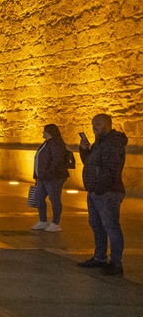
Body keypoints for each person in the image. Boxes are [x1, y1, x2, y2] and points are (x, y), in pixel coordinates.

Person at [78, 114, 128, 276]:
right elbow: (91, 163)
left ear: (107, 125)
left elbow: (110, 168)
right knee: (96, 224)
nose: (94, 128)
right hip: (95, 190)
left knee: (111, 226)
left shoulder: (112, 142)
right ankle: (99, 257)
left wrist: (100, 188)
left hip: (108, 192)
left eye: (98, 125)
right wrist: (84, 150)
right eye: (93, 125)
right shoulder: (100, 142)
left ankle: (116, 263)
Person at [31, 123, 70, 232]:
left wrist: (48, 173)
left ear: (49, 132)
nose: (42, 132)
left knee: (54, 199)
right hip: (43, 177)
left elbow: (56, 160)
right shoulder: (47, 143)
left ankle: (55, 223)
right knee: (39, 197)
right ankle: (43, 221)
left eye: (44, 131)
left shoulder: (55, 144)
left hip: (53, 177)